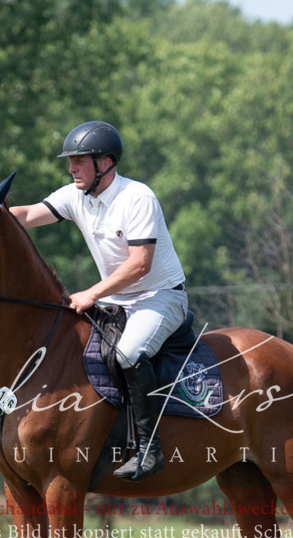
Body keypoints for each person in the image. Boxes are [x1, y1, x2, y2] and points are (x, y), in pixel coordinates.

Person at [10, 121, 188, 482]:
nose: (71, 167)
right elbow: (26, 216)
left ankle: (149, 451)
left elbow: (140, 264)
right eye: (70, 161)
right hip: (117, 301)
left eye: (79, 160)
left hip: (160, 298)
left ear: (105, 163)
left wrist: (92, 293)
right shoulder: (76, 195)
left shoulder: (137, 197)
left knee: (128, 354)